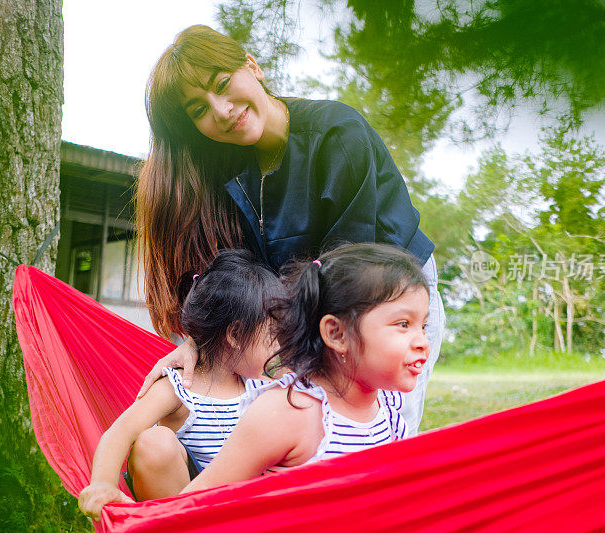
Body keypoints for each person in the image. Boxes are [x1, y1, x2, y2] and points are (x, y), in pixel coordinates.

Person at [134, 24, 445, 434]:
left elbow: (348, 269)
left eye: (223, 84)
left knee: (371, 441)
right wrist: (198, 341)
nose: (222, 110)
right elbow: (230, 276)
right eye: (199, 110)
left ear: (252, 65)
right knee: (300, 441)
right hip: (301, 310)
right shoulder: (226, 172)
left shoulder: (336, 131)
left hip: (385, 298)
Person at [181, 243, 430, 492]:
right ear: (337, 334)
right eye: (403, 323)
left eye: (424, 326)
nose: (423, 342)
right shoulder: (289, 411)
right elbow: (198, 501)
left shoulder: (389, 408)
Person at [77, 250, 280, 521]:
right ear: (234, 335)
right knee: (153, 442)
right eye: (271, 335)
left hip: (246, 511)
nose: (279, 346)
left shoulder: (263, 388)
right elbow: (119, 433)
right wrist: (102, 484)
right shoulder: (179, 388)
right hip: (187, 508)